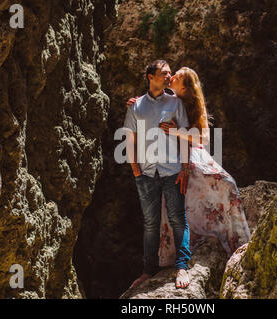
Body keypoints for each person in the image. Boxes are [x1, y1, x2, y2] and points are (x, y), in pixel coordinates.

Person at [125, 66, 251, 275]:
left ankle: (232, 237)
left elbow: (204, 139)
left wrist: (178, 132)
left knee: (225, 182)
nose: (171, 77)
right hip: (169, 157)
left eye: (176, 77)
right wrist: (136, 103)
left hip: (193, 153)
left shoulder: (191, 105)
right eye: (170, 75)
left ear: (185, 87)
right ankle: (173, 252)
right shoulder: (167, 100)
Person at [123, 60, 192, 290]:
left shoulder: (175, 103)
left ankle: (182, 266)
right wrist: (136, 170)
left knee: (178, 219)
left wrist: (185, 168)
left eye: (170, 73)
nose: (168, 77)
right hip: (146, 173)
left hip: (172, 170)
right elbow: (129, 139)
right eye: (164, 73)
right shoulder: (136, 106)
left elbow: (184, 136)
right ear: (150, 77)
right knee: (150, 223)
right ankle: (148, 270)